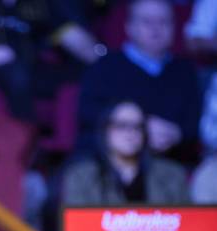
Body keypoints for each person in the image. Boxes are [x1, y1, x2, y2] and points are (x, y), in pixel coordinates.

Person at [78, 0, 200, 160]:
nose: (156, 29)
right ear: (129, 27)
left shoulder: (185, 71)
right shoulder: (106, 66)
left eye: (164, 22)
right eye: (147, 21)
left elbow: (194, 123)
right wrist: (139, 127)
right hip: (109, 160)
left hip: (169, 160)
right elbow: (88, 112)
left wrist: (177, 134)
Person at [62, 101, 188, 206]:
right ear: (106, 130)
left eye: (137, 126)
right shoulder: (82, 176)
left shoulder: (171, 174)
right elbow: (74, 226)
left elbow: (188, 223)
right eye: (122, 125)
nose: (130, 133)